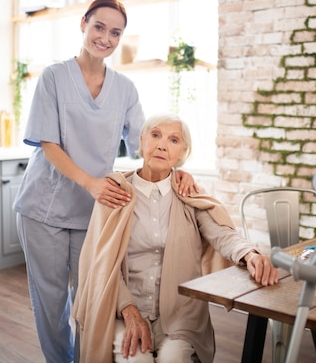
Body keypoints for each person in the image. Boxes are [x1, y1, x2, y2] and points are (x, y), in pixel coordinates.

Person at [13, 0, 197, 363]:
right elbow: (48, 143)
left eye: (116, 32)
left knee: (93, 300)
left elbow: (146, 141)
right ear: (84, 24)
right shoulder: (54, 77)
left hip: (96, 214)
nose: (106, 38)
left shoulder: (125, 89)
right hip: (43, 208)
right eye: (99, 27)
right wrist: (91, 183)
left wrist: (179, 166)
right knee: (51, 304)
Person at [72, 113, 279, 363]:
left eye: (173, 140)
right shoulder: (115, 193)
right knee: (137, 359)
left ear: (182, 152)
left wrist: (250, 254)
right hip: (122, 310)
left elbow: (222, 233)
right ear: (142, 140)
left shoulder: (187, 193)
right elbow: (101, 264)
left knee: (174, 359)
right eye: (155, 135)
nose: (161, 145)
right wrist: (128, 310)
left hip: (181, 313)